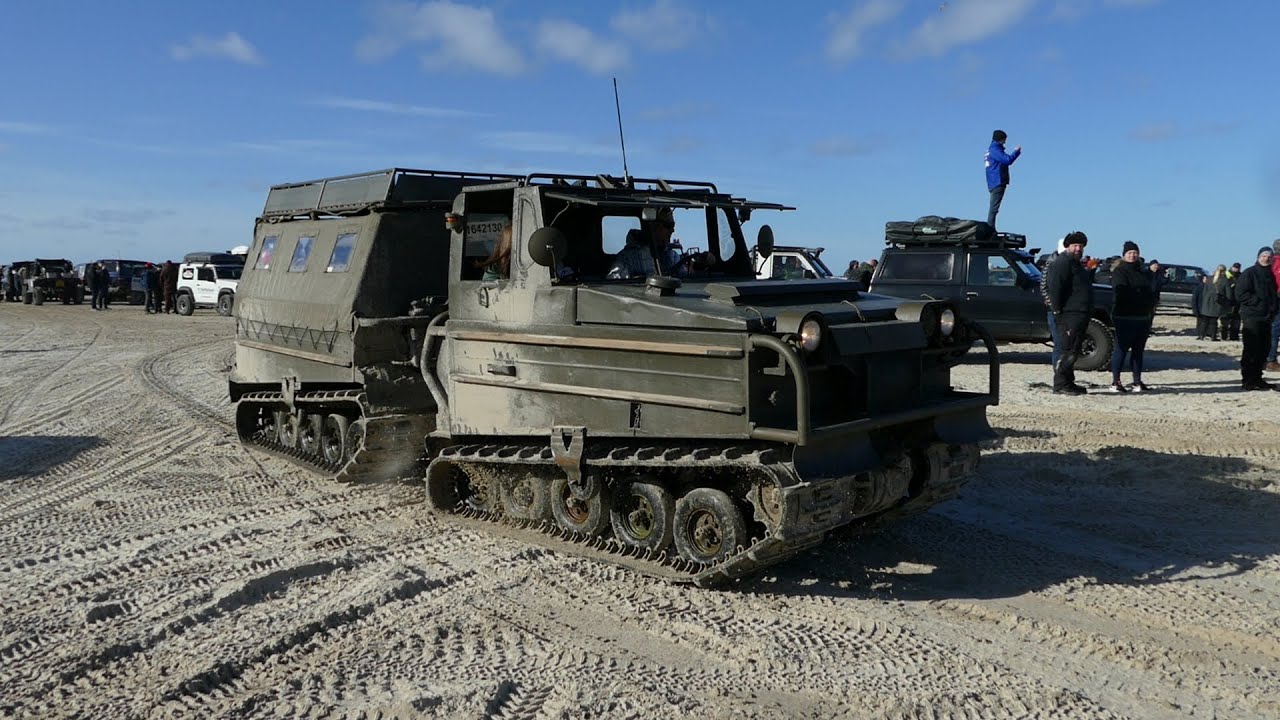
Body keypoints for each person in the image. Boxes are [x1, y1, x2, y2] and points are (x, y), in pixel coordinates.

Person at [1044, 231, 1093, 395]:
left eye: (1081, 245)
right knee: (1067, 351)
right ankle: (1060, 384)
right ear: (1067, 246)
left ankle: (1068, 382)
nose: (1078, 248)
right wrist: (1058, 314)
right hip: (1068, 315)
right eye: (1075, 245)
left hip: (1080, 314)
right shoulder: (1062, 263)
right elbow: (1054, 289)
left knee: (1074, 350)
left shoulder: (1077, 264)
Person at [1108, 241, 1157, 393]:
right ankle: (1116, 382)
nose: (1133, 255)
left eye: (1135, 252)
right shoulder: (1120, 271)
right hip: (1124, 316)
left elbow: (1150, 290)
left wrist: (1148, 303)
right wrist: (1138, 295)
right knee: (1121, 349)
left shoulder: (1142, 271)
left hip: (1142, 316)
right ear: (1124, 255)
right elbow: (1121, 291)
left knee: (1138, 350)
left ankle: (1137, 381)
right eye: (1130, 253)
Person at [607, 208, 707, 279]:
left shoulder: (672, 256)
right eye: (668, 225)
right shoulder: (628, 258)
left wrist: (702, 264)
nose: (673, 230)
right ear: (654, 227)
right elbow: (614, 292)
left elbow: (684, 282)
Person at [1235, 246, 1279, 390]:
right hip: (1252, 316)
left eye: (1269, 256)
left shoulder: (1269, 274)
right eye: (1264, 256)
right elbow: (1241, 294)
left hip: (1267, 317)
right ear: (1258, 257)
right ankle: (1248, 380)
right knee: (1251, 349)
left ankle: (1257, 378)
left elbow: (1273, 294)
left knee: (1264, 349)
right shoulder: (1250, 273)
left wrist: (1273, 307)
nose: (1266, 258)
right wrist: (1258, 303)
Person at [984, 129, 1021, 229]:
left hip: (993, 181)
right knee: (994, 208)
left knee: (994, 207)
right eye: (1004, 139)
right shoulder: (995, 149)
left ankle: (990, 228)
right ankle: (990, 228)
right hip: (997, 181)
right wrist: (1016, 152)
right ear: (1000, 139)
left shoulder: (991, 149)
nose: (1005, 142)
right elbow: (1007, 160)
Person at [1194, 274, 1224, 340]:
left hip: (1208, 308)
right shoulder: (1199, 287)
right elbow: (1195, 299)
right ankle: (1201, 335)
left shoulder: (1210, 287)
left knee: (1211, 322)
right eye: (1204, 279)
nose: (1206, 280)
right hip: (1202, 308)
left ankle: (1211, 336)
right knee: (1203, 322)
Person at [1211, 264, 1233, 343]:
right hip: (1222, 303)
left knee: (1213, 320)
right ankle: (1223, 336)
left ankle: (1212, 335)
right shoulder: (1225, 280)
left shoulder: (1212, 279)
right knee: (1224, 322)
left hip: (1212, 302)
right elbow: (1229, 294)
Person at [1227, 262, 1242, 341]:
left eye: (1238, 268)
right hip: (1228, 299)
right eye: (1235, 267)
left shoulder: (1241, 276)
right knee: (1226, 319)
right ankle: (1225, 335)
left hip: (1237, 300)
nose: (1236, 269)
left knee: (1236, 319)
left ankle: (1234, 336)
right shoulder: (1227, 275)